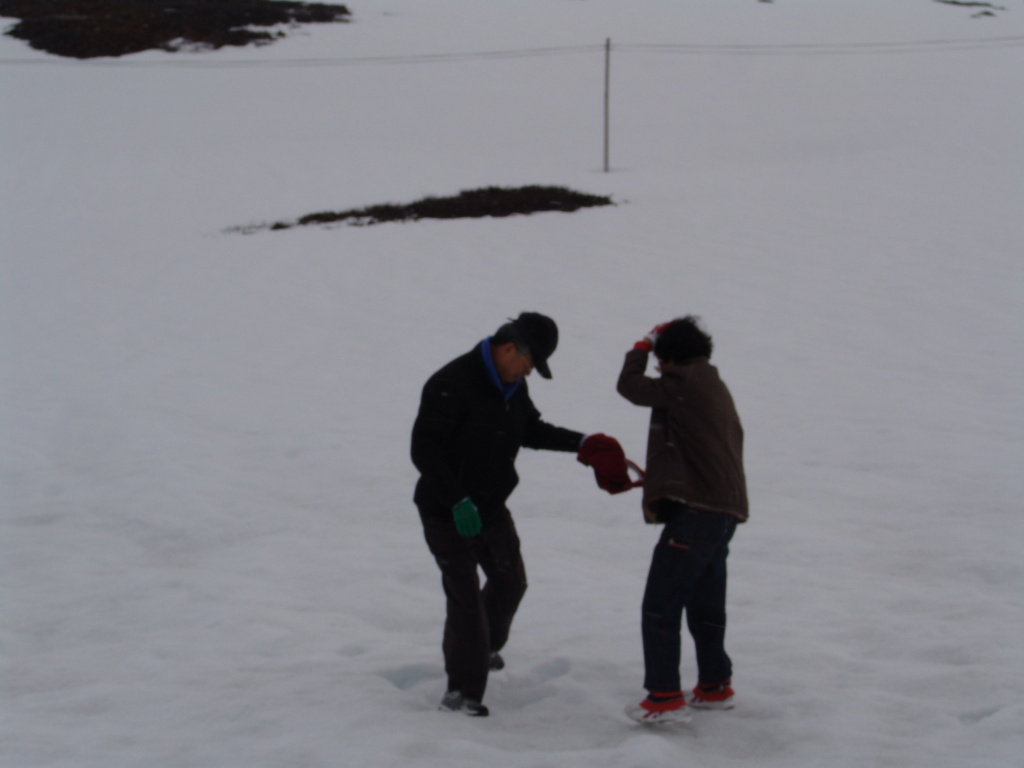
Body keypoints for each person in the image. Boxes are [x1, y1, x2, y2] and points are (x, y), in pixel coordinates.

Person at [411, 312, 631, 717]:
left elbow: (529, 430)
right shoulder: (450, 384)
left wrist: (583, 443)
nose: (528, 371)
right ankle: (461, 692)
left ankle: (480, 648)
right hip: (447, 511)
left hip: (491, 505)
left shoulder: (513, 386)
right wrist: (457, 501)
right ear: (509, 348)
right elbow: (424, 450)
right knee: (465, 601)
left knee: (511, 582)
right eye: (529, 363)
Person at [616, 316, 748, 725]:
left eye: (659, 360)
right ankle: (714, 686)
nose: (657, 368)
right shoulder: (712, 385)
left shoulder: (684, 381)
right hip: (722, 513)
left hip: (696, 515)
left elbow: (630, 388)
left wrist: (640, 346)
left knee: (661, 605)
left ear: (671, 358)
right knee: (705, 605)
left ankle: (664, 697)